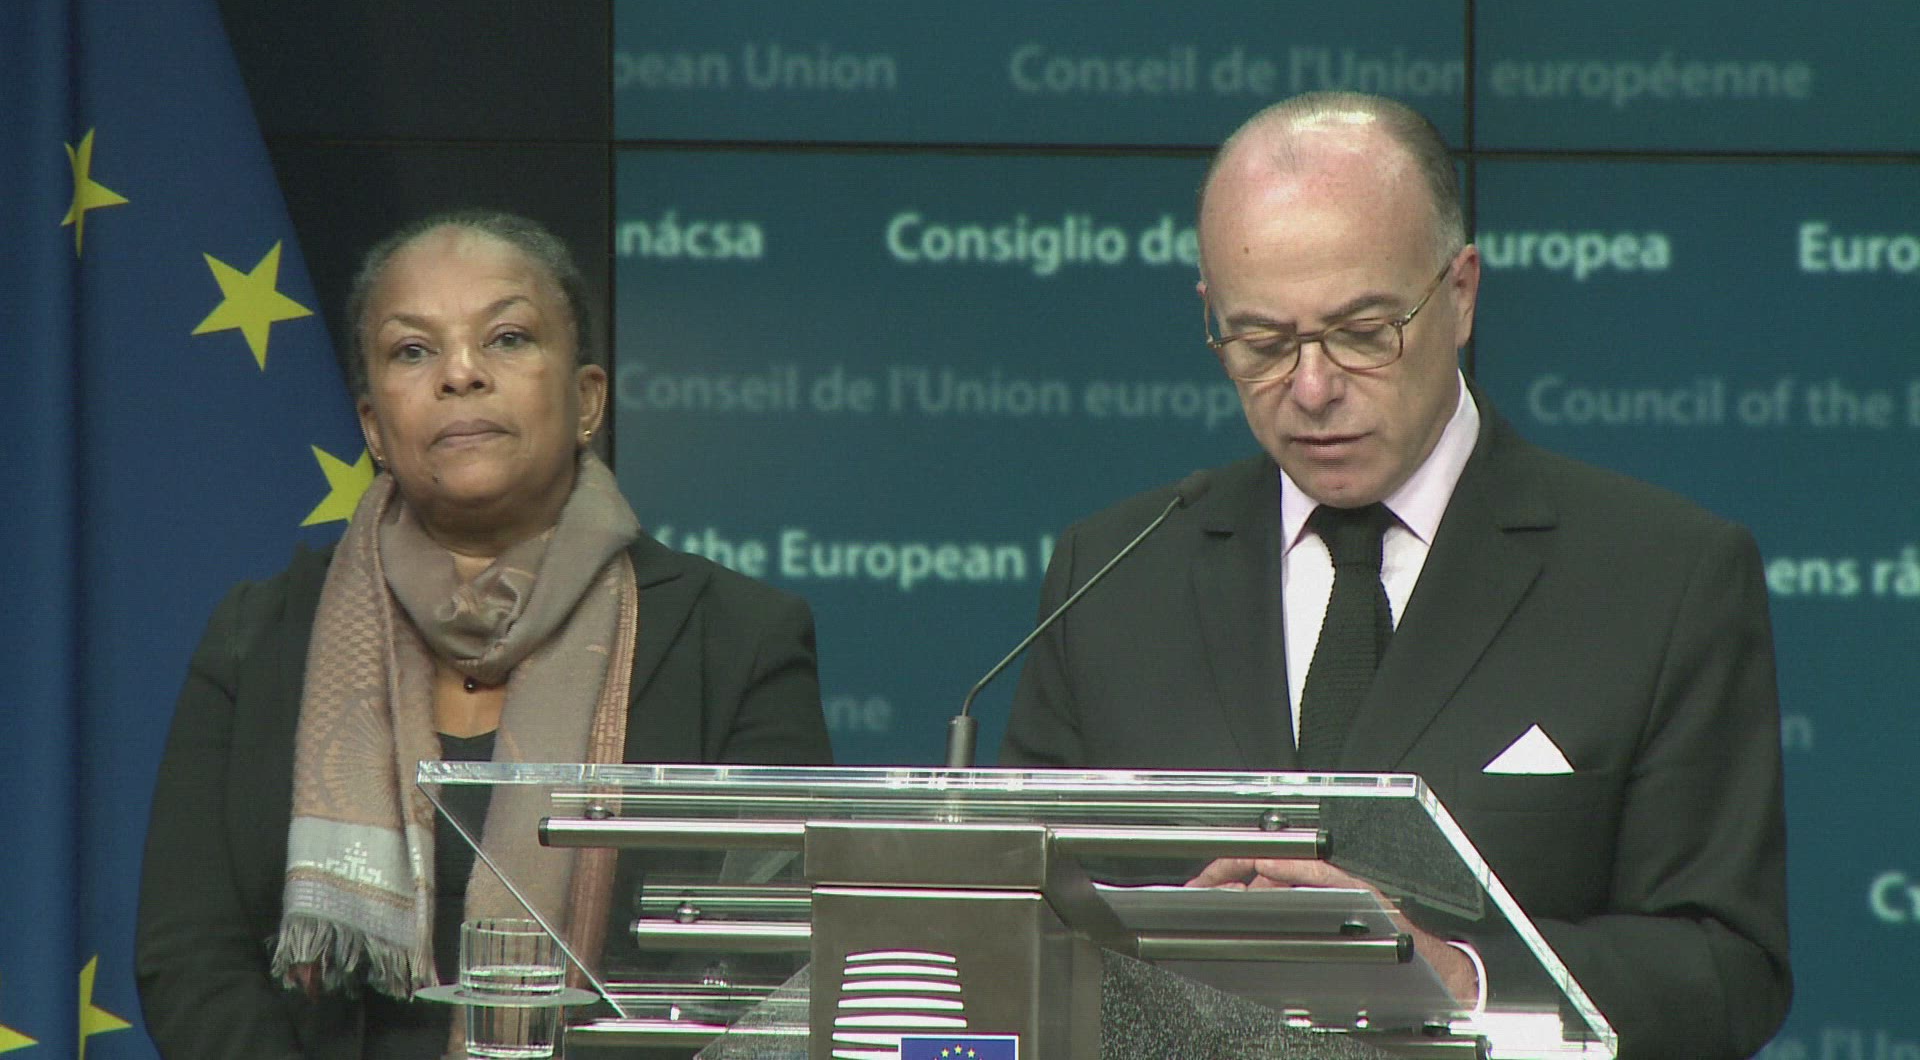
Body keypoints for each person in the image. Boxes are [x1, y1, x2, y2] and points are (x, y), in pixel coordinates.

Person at [1002, 93, 1790, 1058]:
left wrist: (1464, 979)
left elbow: (1726, 967)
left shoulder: (1663, 578)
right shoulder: (1114, 577)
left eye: (1364, 330)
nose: (1312, 387)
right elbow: (1012, 931)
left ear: (1460, 294)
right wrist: (1148, 960)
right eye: (1262, 342)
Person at [135, 211, 833, 1059]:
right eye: (412, 351)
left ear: (586, 400)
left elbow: (773, 975)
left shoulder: (737, 638)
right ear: (373, 426)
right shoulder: (260, 636)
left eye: (506, 338)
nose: (460, 374)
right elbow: (191, 958)